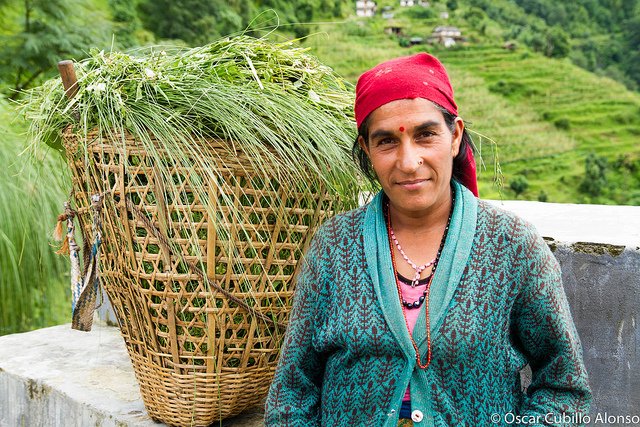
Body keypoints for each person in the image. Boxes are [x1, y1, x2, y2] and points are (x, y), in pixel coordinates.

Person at [264, 53, 591, 426]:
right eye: (386, 141)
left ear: (454, 136)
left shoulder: (512, 246)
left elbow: (565, 387)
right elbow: (293, 391)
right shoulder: (334, 247)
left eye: (425, 135)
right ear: (367, 151)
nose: (408, 161)